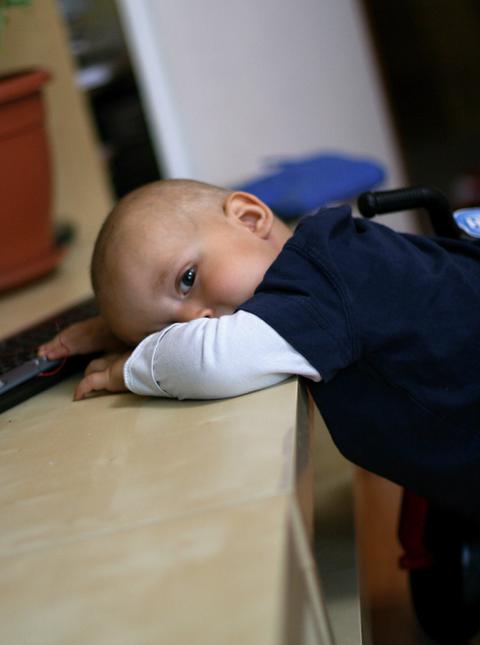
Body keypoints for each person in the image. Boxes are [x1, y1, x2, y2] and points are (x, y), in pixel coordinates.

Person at [38, 179, 480, 520]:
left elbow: (211, 362)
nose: (196, 324)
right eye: (167, 329)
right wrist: (122, 328)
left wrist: (128, 366)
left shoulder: (323, 282)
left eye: (187, 279)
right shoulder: (328, 259)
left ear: (250, 219)